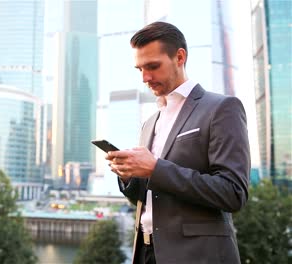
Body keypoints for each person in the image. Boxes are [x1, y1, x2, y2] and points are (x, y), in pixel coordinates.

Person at [106, 21, 250, 263]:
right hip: (145, 252)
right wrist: (129, 177)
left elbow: (233, 193)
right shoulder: (150, 122)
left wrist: (155, 167)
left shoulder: (222, 108)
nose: (145, 77)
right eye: (139, 69)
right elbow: (152, 197)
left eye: (152, 66)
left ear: (180, 57)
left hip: (197, 255)